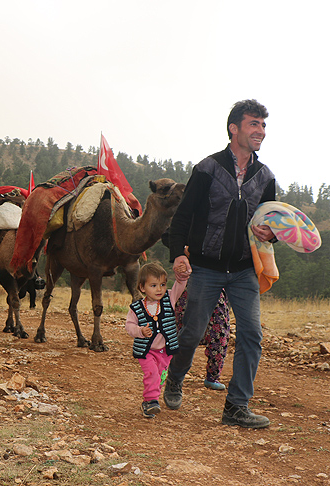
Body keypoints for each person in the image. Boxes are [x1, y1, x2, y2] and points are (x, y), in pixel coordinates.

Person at [164, 99, 276, 429]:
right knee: (192, 333)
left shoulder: (265, 176)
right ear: (234, 128)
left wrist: (269, 233)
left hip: (243, 269)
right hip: (207, 268)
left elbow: (273, 226)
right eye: (254, 124)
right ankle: (174, 380)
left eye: (264, 125)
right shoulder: (207, 169)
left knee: (252, 335)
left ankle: (236, 406)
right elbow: (183, 217)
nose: (261, 131)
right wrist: (179, 255)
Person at [124, 262, 187, 418]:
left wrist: (183, 272)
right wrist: (139, 331)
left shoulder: (169, 299)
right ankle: (151, 401)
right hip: (146, 350)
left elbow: (181, 283)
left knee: (160, 378)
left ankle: (150, 400)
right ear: (142, 287)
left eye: (162, 284)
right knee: (151, 374)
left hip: (165, 351)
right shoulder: (137, 308)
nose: (159, 289)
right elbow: (129, 326)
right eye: (153, 285)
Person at [174, 288, 231, 390]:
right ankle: (175, 376)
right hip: (192, 287)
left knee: (219, 334)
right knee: (184, 335)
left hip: (218, 290)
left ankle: (212, 377)